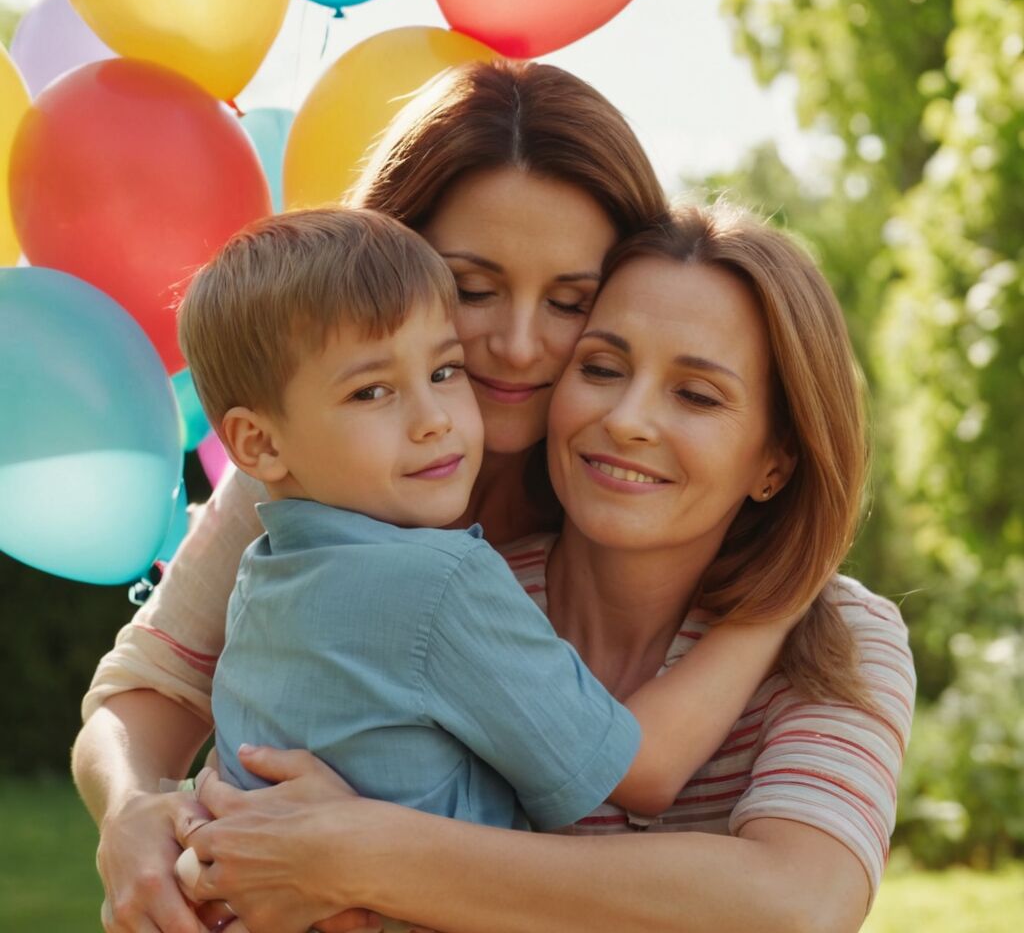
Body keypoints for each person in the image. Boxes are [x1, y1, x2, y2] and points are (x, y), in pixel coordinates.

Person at [174, 204, 916, 933]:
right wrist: (160, 827)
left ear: (776, 460)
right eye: (600, 366)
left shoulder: (844, 639)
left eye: (695, 394)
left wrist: (361, 855)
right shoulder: (466, 580)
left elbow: (798, 906)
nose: (628, 418)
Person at [72, 59, 666, 933]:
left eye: (571, 301)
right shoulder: (305, 490)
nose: (514, 342)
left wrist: (363, 854)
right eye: (473, 289)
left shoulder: (637, 495)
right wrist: (128, 815)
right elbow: (143, 689)